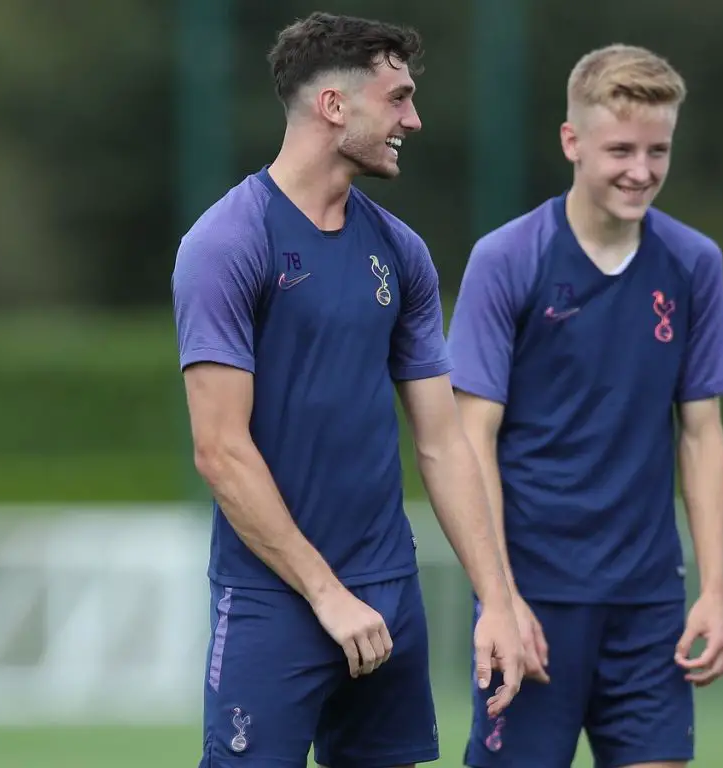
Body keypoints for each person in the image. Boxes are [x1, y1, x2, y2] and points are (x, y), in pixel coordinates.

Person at [171, 12, 523, 768]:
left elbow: (442, 441)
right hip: (276, 601)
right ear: (335, 106)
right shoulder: (227, 244)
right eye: (397, 99)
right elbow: (220, 451)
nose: (414, 119)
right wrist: (328, 596)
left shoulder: (401, 252)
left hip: (390, 592)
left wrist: (497, 598)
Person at [447, 43, 723, 768]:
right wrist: (500, 599)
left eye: (658, 150)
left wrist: (713, 590)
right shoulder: (506, 259)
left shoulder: (693, 263)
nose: (641, 171)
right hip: (532, 602)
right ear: (571, 142)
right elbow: (469, 439)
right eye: (620, 149)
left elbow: (701, 435)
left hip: (647, 606)